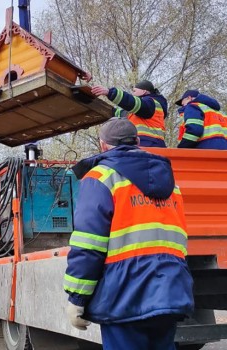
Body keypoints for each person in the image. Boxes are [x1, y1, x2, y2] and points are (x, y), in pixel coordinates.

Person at [64, 118, 194, 349]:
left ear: (103, 145)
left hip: (124, 295)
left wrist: (77, 298)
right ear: (138, 141)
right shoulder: (171, 183)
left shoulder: (100, 177)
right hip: (170, 290)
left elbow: (89, 245)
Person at [90, 80, 168, 148]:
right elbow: (121, 113)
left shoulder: (150, 102)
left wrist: (110, 92)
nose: (132, 94)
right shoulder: (140, 110)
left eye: (134, 91)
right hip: (146, 145)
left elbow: (131, 102)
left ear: (144, 91)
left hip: (149, 145)